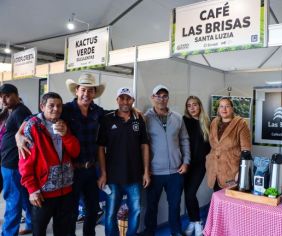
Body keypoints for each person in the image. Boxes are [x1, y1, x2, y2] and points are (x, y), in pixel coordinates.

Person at [16, 73, 106, 236]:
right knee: (69, 215)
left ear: (94, 93)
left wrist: (134, 110)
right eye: (83, 89)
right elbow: (36, 117)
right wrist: (19, 134)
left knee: (93, 211)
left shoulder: (98, 112)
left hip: (90, 169)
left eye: (90, 90)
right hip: (73, 171)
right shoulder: (65, 109)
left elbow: (115, 115)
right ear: (77, 90)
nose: (86, 94)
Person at [18, 92, 80, 236]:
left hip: (66, 190)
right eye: (51, 105)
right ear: (42, 106)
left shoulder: (63, 124)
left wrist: (66, 136)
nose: (56, 109)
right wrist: (32, 189)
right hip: (42, 193)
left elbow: (75, 152)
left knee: (62, 230)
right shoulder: (32, 127)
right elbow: (24, 162)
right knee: (39, 231)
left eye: (59, 106)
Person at [97, 87, 150, 236]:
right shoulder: (107, 119)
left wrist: (146, 172)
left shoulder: (139, 120)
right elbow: (100, 147)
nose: (125, 101)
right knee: (110, 213)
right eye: (122, 98)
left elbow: (145, 145)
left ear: (133, 100)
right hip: (113, 177)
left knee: (136, 211)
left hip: (135, 176)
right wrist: (103, 173)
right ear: (117, 100)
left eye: (128, 98)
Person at [143, 84, 190, 236]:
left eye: (164, 96)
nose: (161, 99)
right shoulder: (145, 118)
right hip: (154, 172)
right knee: (151, 206)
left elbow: (184, 140)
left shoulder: (177, 117)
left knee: (175, 206)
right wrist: (144, 170)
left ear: (168, 98)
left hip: (176, 171)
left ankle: (176, 232)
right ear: (153, 98)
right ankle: (149, 232)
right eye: (158, 96)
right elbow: (142, 145)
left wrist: (186, 161)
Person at [0, 84, 33, 236]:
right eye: (1, 97)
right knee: (24, 197)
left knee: (13, 200)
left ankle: (8, 233)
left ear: (16, 94)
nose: (3, 100)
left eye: (6, 96)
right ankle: (32, 224)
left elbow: (29, 137)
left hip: (13, 164)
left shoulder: (20, 112)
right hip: (10, 163)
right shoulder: (10, 111)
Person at [206, 97, 252, 192]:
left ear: (232, 108)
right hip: (215, 170)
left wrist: (241, 171)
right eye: (221, 106)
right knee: (218, 196)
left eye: (227, 106)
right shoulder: (214, 123)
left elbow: (246, 150)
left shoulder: (240, 124)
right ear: (218, 109)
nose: (224, 109)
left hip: (232, 170)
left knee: (231, 200)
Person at [182, 96, 211, 236]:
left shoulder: (207, 123)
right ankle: (193, 222)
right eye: (189, 105)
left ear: (200, 106)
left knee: (190, 193)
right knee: (187, 195)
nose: (192, 108)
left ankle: (197, 221)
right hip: (185, 164)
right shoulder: (184, 121)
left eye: (195, 105)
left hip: (200, 165)